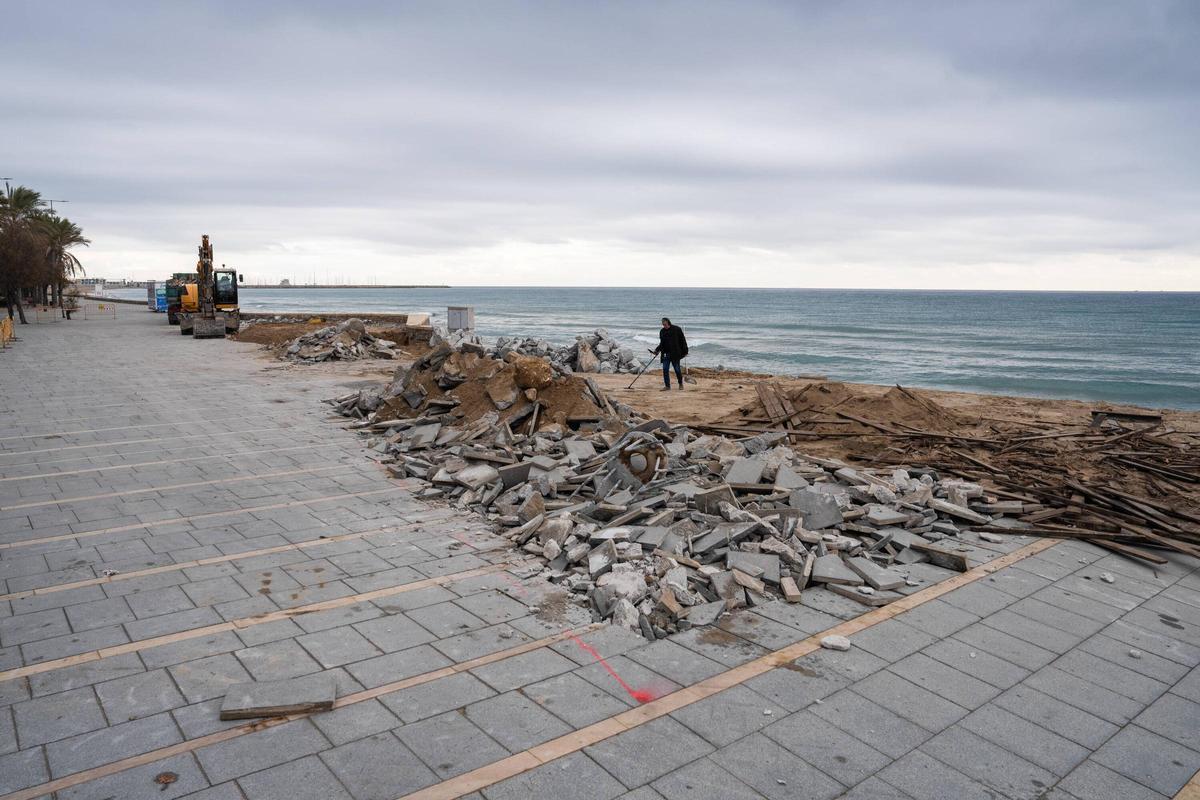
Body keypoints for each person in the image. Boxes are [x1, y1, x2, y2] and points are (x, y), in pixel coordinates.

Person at [650, 317, 688, 390]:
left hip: (675, 354)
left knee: (677, 370)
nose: (664, 325)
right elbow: (662, 343)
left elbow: (683, 340)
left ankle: (680, 384)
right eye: (663, 324)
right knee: (665, 369)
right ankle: (667, 386)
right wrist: (656, 351)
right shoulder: (662, 331)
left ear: (668, 322)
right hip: (665, 354)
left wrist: (685, 351)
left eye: (665, 324)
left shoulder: (677, 329)